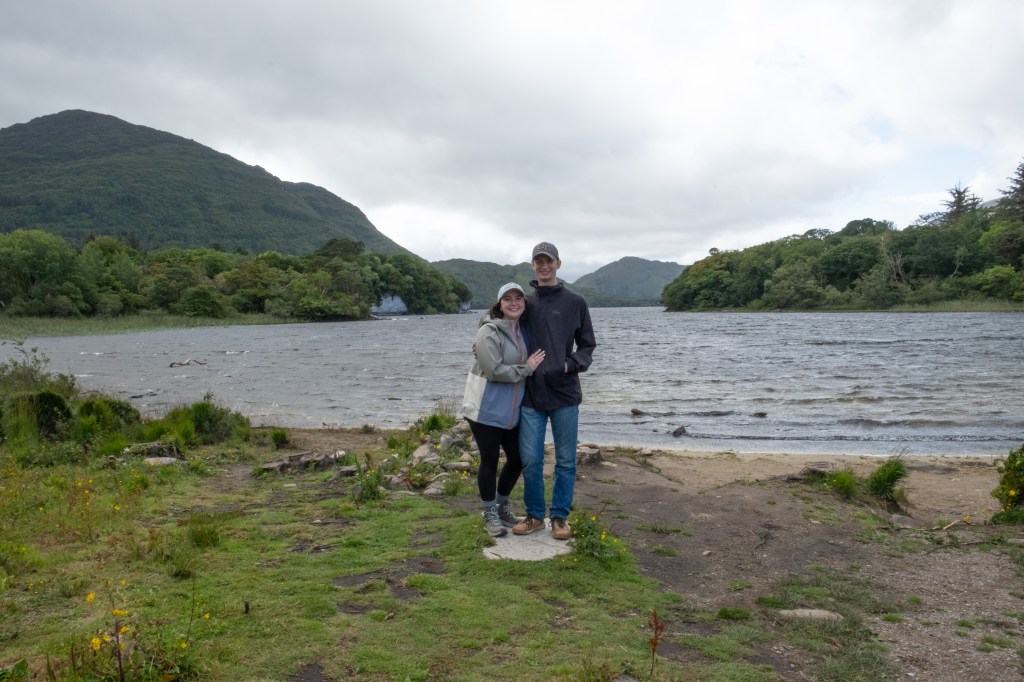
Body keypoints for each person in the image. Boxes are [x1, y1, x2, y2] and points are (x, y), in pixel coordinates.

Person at [512, 242, 597, 540]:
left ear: (558, 263)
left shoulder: (576, 303)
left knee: (566, 461)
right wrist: (481, 344)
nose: (544, 266)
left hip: (565, 394)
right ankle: (535, 515)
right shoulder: (525, 303)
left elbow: (587, 345)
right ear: (533, 266)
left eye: (549, 260)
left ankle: (559, 517)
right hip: (531, 395)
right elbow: (500, 324)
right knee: (531, 460)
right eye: (539, 261)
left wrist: (568, 365)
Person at [461, 282, 546, 537]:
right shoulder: (489, 331)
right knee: (489, 460)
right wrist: (527, 369)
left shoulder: (523, 329)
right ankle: (489, 513)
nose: (513, 302)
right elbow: (493, 371)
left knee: (518, 458)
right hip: (485, 409)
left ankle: (501, 505)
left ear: (524, 303)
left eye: (518, 298)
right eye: (507, 298)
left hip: (511, 411)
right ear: (500, 304)